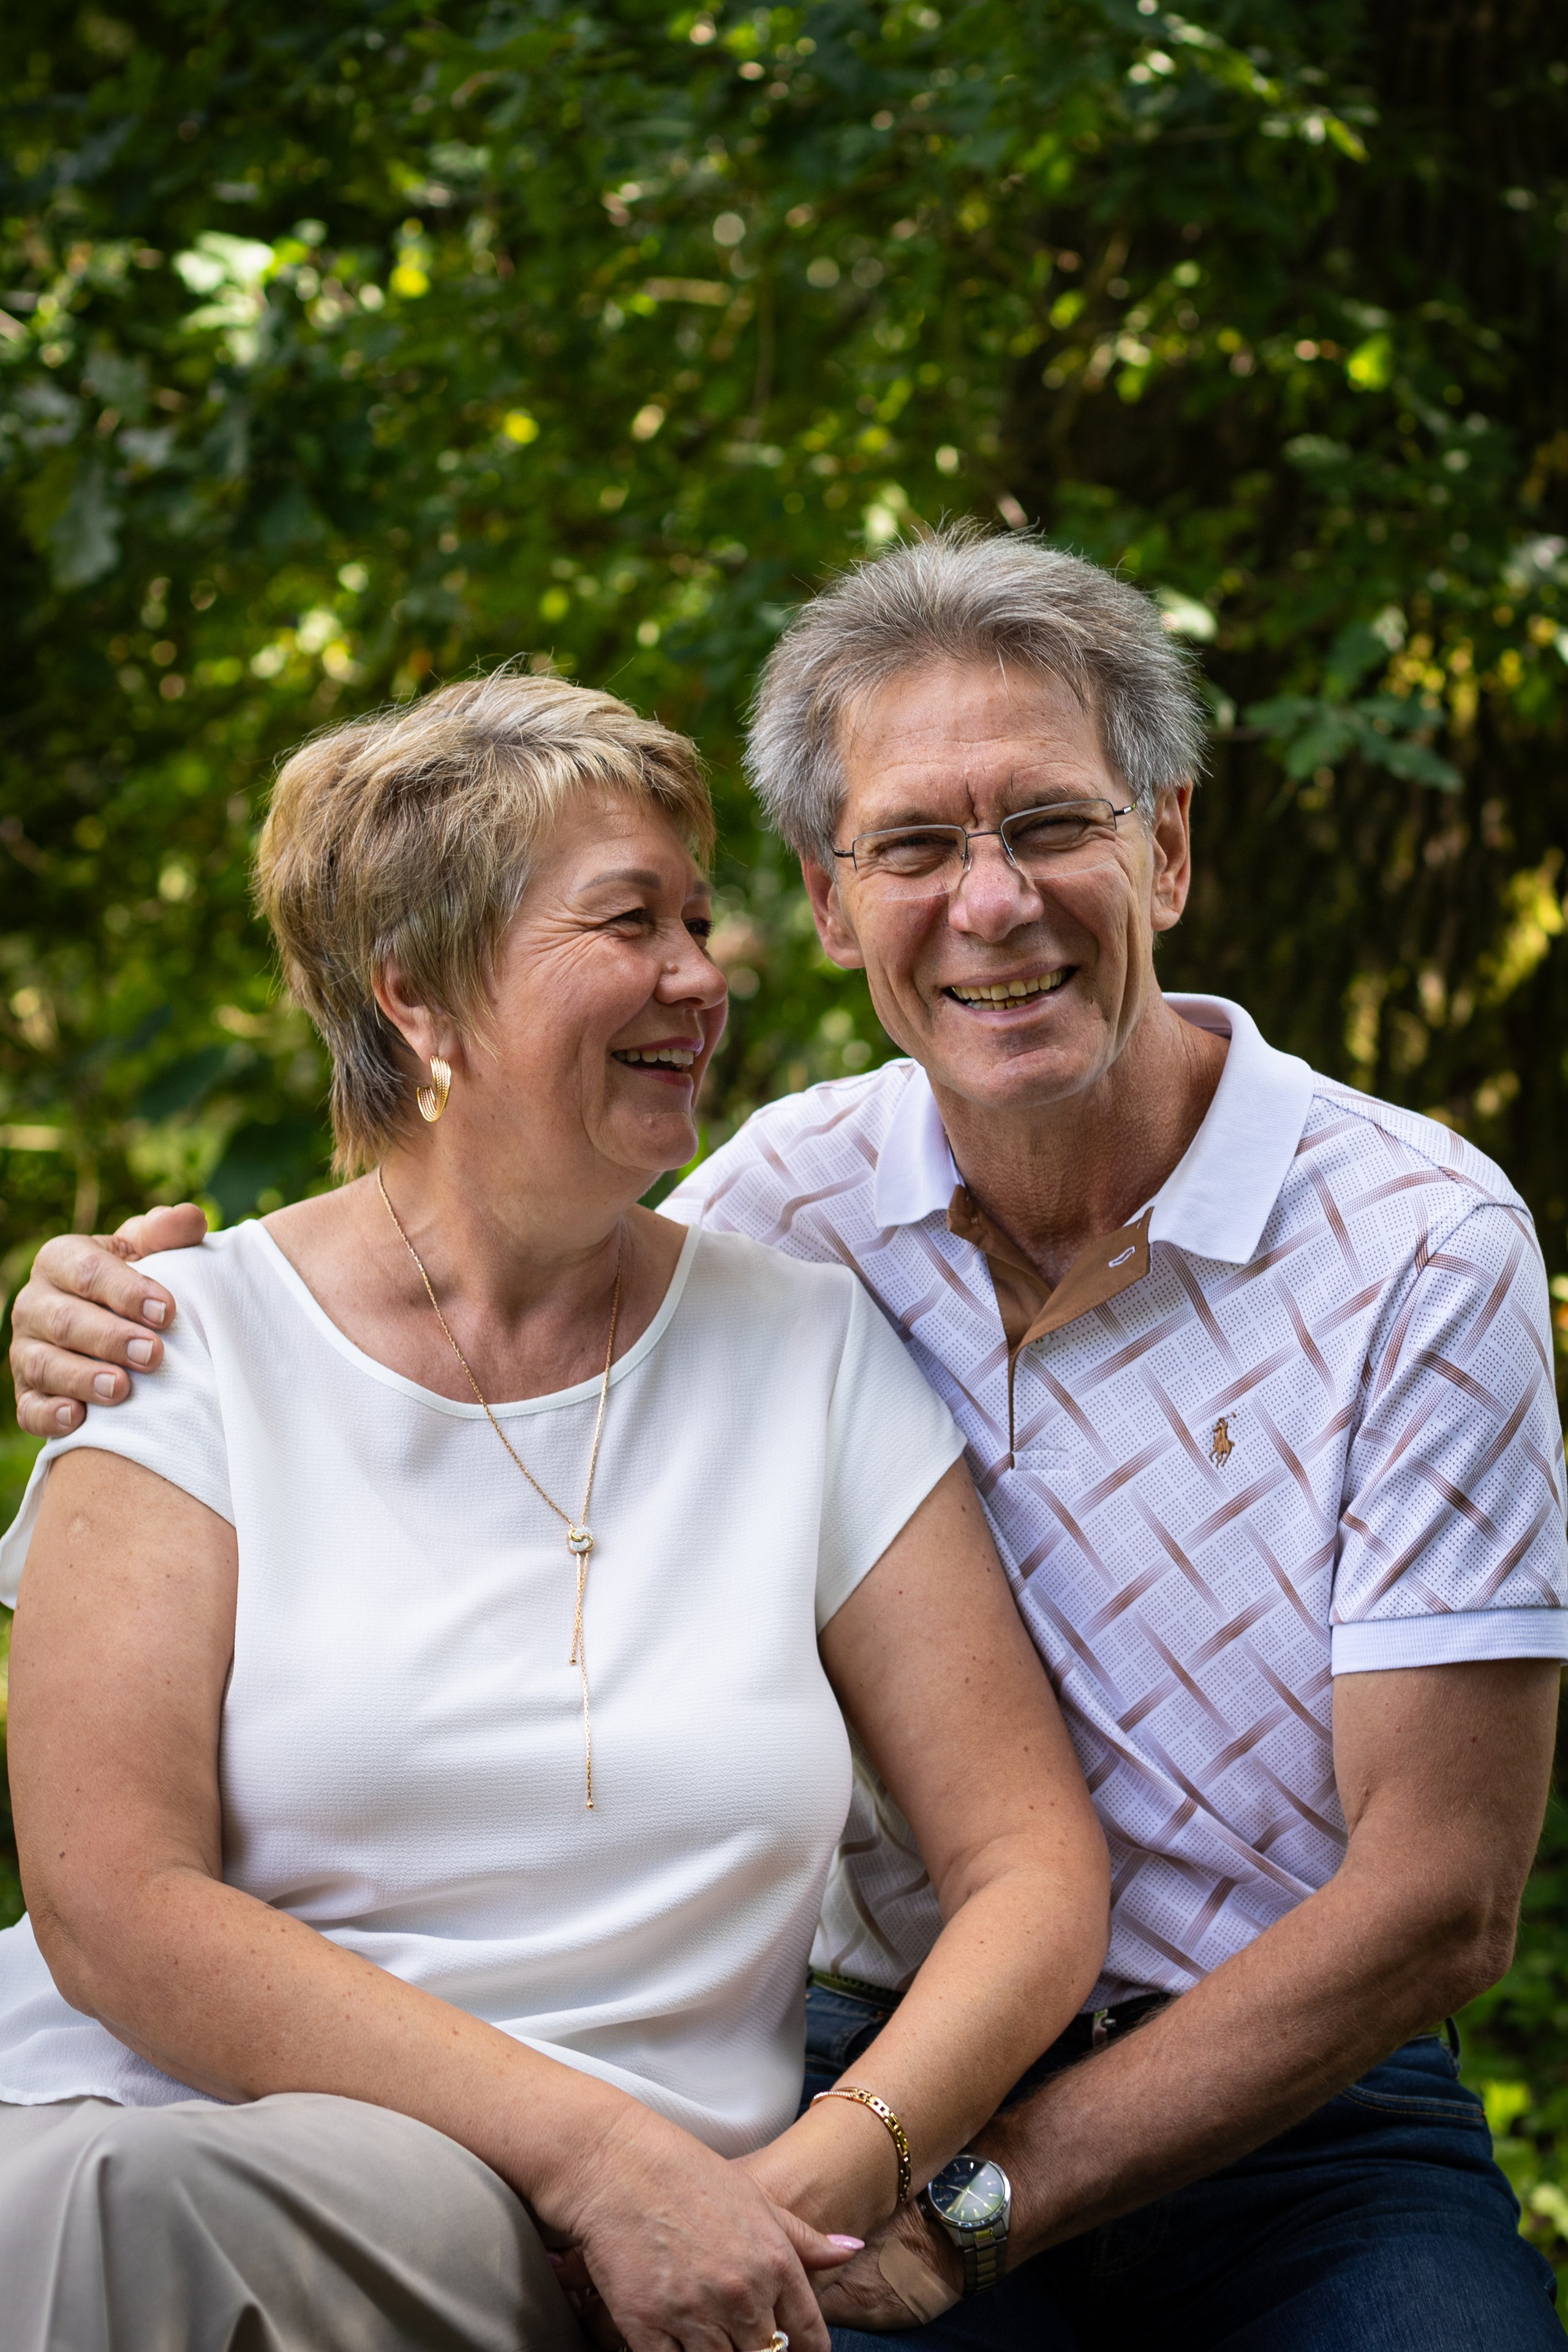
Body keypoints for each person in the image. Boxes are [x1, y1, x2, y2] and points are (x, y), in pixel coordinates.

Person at [16, 527, 1568, 2351]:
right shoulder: (788, 1207)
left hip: (1290, 2116)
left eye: (1052, 825)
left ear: (1168, 842)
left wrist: (896, 2203)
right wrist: (98, 1308)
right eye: (914, 845)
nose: (991, 903)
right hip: (828, 2069)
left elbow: (1440, 1902)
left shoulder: (1408, 1242)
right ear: (838, 904)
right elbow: (444, 1274)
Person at [0, 668, 1111, 2352]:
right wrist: (595, 2154)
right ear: (421, 998)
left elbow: (1031, 1865)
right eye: (629, 925)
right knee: (163, 2211)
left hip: (663, 2213)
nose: (700, 973)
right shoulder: (185, 1349)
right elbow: (111, 1904)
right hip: (204, 2161)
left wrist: (811, 2176)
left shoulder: (800, 1345)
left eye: (697, 916)